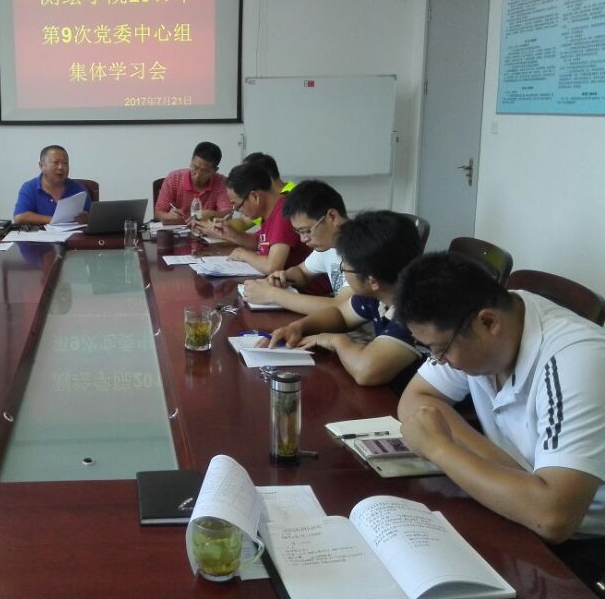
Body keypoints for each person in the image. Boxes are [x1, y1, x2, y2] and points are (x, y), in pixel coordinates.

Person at [395, 252, 605, 590]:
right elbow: (416, 399)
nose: (439, 361)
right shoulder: (481, 324)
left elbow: (553, 518)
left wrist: (441, 449)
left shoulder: (577, 360)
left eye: (441, 350)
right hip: (520, 510)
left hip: (580, 546)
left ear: (489, 323)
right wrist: (511, 475)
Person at [263, 211, 424, 389]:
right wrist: (297, 327)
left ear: (372, 281)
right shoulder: (380, 292)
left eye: (344, 266)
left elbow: (366, 371)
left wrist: (335, 341)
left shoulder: (417, 309)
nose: (343, 271)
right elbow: (340, 314)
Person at [240, 179, 350, 315]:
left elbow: (342, 307)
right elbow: (302, 272)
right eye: (299, 232)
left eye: (306, 231)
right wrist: (284, 277)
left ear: (332, 217)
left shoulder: (361, 249)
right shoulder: (329, 245)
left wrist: (272, 294)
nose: (303, 239)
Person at [223, 163, 313, 277]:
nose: (239, 211)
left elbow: (273, 267)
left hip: (302, 287)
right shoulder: (269, 212)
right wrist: (231, 234)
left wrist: (243, 255)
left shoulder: (283, 213)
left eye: (238, 206)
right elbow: (261, 242)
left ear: (255, 196)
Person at [199, 152, 293, 248]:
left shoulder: (292, 200)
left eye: (246, 176)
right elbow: (245, 223)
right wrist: (217, 228)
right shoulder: (267, 202)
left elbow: (273, 256)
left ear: (263, 177)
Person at [154, 141, 232, 224]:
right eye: (195, 167)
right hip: (178, 228)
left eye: (204, 171)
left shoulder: (221, 182)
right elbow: (158, 213)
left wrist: (211, 214)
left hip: (205, 229)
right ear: (191, 162)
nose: (197, 175)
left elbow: (228, 215)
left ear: (215, 170)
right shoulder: (174, 178)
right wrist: (169, 216)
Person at [13, 145, 92, 226]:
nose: (60, 167)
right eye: (55, 163)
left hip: (73, 234)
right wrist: (56, 220)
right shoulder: (29, 188)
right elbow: (20, 217)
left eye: (65, 163)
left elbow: (93, 218)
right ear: (41, 165)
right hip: (40, 234)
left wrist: (87, 218)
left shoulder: (79, 190)